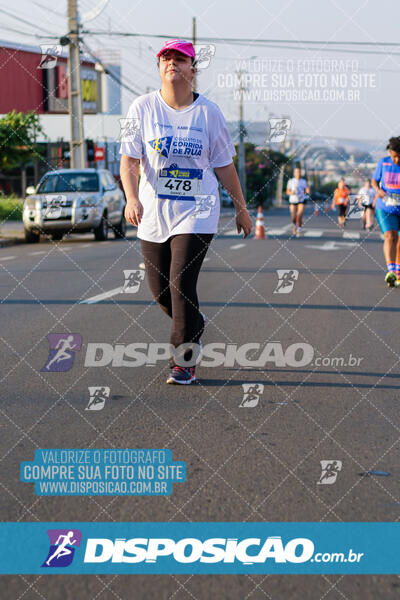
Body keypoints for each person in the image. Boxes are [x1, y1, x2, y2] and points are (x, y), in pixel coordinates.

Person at [120, 39, 252, 384]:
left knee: (181, 285)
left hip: (198, 210)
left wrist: (241, 209)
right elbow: (129, 160)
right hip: (153, 213)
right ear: (159, 66)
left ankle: (183, 362)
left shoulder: (209, 113)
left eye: (180, 59)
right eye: (166, 58)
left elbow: (224, 166)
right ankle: (194, 324)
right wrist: (131, 198)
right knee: (162, 292)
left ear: (193, 69)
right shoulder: (141, 108)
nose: (171, 64)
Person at [372, 136, 400, 287]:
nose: (396, 160)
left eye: (399, 157)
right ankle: (391, 271)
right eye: (394, 156)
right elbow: (374, 181)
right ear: (390, 152)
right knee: (390, 236)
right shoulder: (383, 163)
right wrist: (378, 190)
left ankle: (398, 272)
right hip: (385, 207)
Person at [286, 167, 310, 237]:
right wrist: (291, 192)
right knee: (293, 217)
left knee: (299, 215)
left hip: (301, 200)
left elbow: (307, 190)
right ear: (294, 173)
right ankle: (294, 225)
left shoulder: (303, 181)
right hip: (293, 200)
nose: (297, 173)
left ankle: (299, 230)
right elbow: (287, 191)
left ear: (300, 173)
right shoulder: (291, 181)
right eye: (296, 172)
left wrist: (307, 192)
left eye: (299, 172)